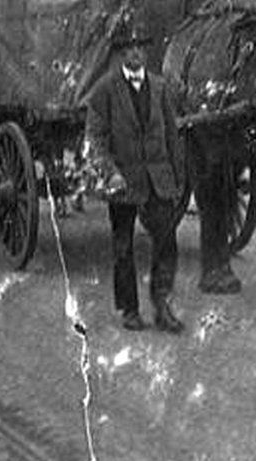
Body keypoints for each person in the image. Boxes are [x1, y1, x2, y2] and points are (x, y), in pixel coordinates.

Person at [84, 20, 187, 333]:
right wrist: (110, 173)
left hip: (158, 179)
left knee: (166, 243)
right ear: (120, 54)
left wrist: (178, 176)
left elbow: (172, 133)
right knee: (123, 247)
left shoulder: (159, 87)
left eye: (141, 48)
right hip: (124, 182)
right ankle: (129, 308)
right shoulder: (105, 90)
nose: (136, 54)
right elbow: (95, 139)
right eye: (129, 48)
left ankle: (162, 305)